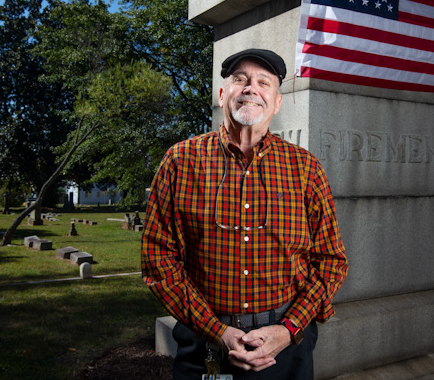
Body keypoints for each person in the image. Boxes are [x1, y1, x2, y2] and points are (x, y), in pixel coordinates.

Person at [142, 48, 348, 379]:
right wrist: (216, 330)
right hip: (204, 345)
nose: (251, 87)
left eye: (264, 82)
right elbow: (158, 260)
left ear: (277, 102)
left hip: (286, 348)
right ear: (223, 94)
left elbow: (331, 261)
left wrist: (288, 329)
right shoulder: (180, 161)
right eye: (241, 79)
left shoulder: (306, 168)